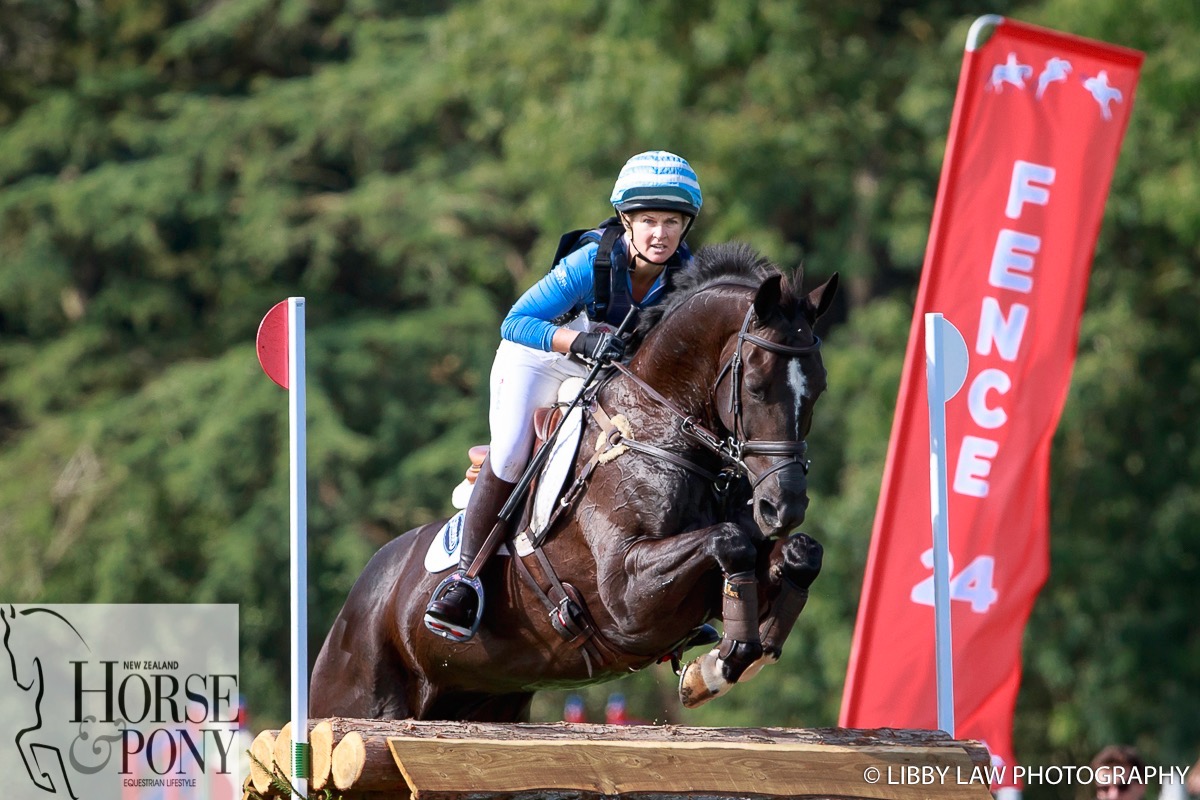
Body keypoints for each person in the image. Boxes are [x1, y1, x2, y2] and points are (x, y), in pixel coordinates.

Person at [423, 150, 703, 642]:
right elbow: (515, 322)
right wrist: (581, 340)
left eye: (672, 222)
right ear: (627, 221)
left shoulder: (688, 275)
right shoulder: (589, 262)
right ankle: (465, 579)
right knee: (513, 451)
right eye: (650, 221)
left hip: (603, 373)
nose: (661, 234)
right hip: (538, 358)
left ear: (686, 226)